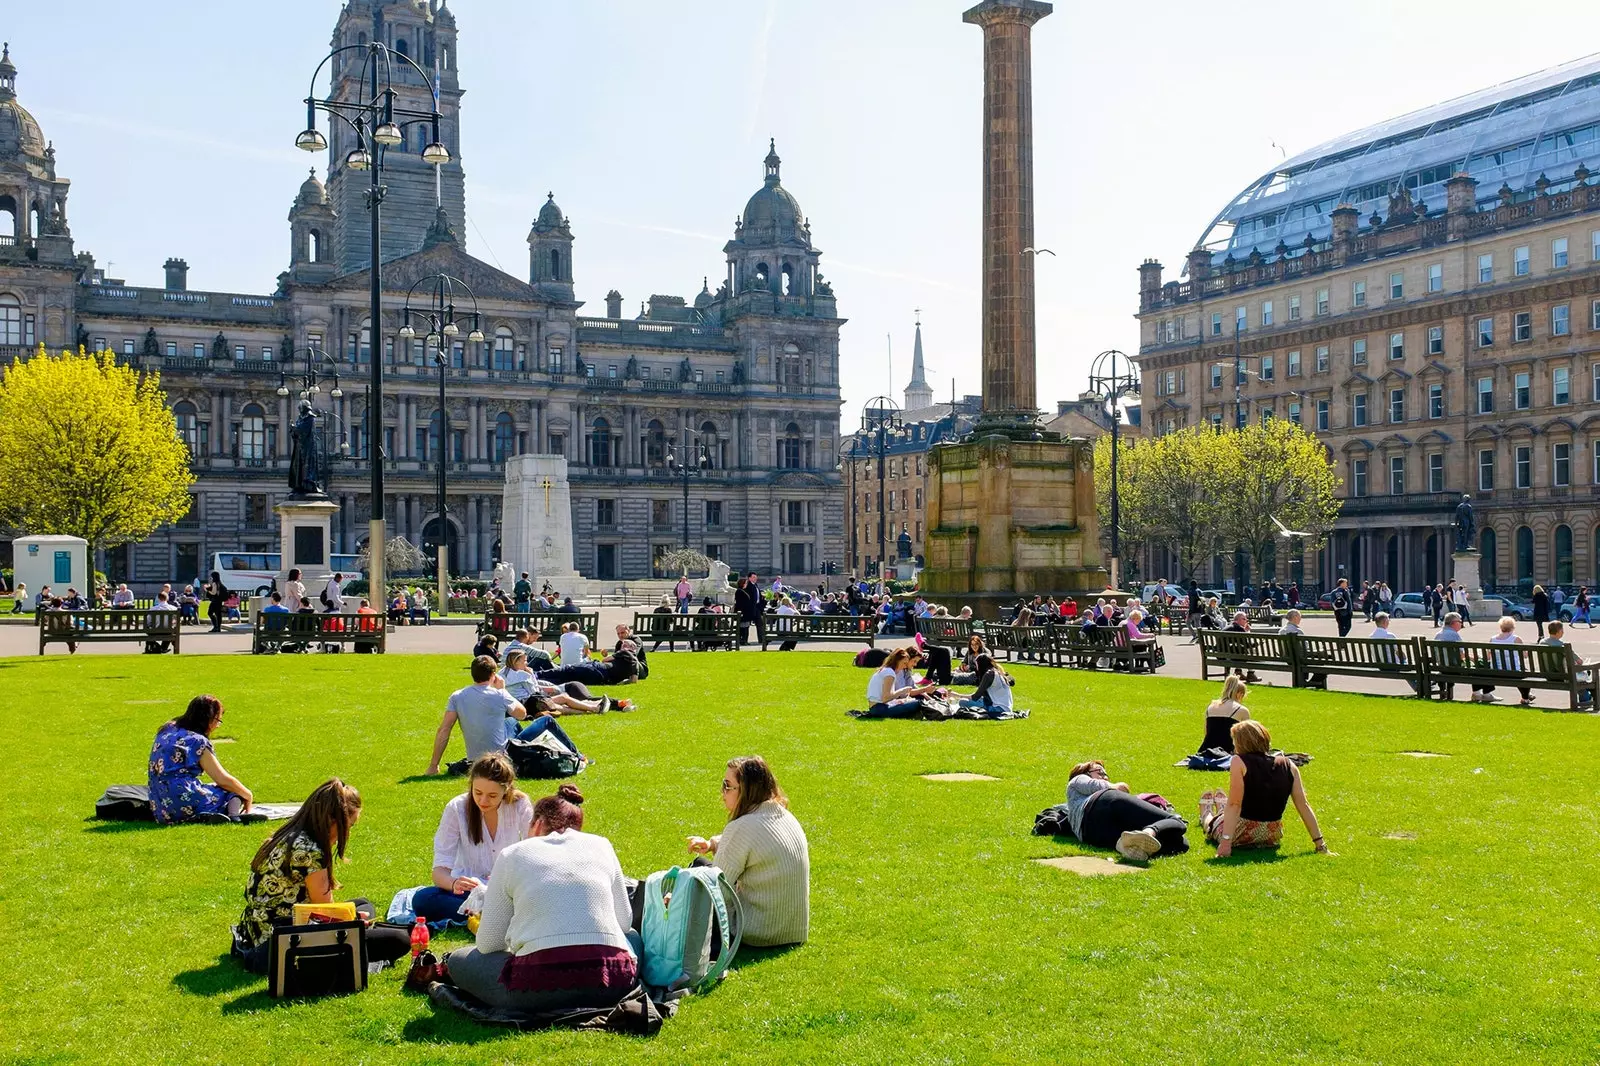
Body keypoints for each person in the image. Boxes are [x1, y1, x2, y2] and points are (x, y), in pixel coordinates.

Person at [445, 784, 639, 1012]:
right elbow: (625, 922)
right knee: (634, 938)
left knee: (458, 960)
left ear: (536, 824)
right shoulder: (602, 845)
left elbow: (488, 944)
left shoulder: (512, 854)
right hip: (612, 985)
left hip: (535, 990)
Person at [231, 779, 411, 973]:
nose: (348, 833)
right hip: (283, 939)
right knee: (399, 940)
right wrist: (355, 921)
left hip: (263, 927)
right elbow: (325, 912)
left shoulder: (291, 834)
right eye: (349, 826)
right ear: (333, 821)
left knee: (363, 903)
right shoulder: (310, 852)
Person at [687, 756, 810, 947]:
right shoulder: (783, 815)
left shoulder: (742, 827)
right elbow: (755, 844)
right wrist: (712, 844)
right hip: (792, 929)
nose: (723, 792)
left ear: (746, 790)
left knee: (699, 868)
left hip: (757, 931)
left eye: (728, 786)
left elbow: (717, 891)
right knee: (702, 869)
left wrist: (681, 896)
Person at [414, 752, 535, 923]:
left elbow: (535, 851)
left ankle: (486, 916)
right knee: (422, 899)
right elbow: (440, 869)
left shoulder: (520, 805)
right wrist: (454, 883)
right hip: (468, 891)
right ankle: (496, 916)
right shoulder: (457, 807)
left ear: (506, 789)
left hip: (507, 889)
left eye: (492, 796)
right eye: (477, 793)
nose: (483, 800)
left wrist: (512, 878)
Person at [427, 656, 583, 775]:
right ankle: (579, 756)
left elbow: (444, 730)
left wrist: (434, 765)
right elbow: (522, 714)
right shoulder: (500, 695)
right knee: (546, 720)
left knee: (510, 722)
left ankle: (521, 745)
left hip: (475, 759)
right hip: (501, 757)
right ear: (494, 675)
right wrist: (503, 690)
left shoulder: (457, 696)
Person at [1200, 721, 1329, 856]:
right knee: (1227, 810)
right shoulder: (1289, 764)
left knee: (1212, 822)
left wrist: (1225, 843)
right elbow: (1303, 805)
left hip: (1241, 832)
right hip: (1272, 834)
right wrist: (1320, 844)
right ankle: (1221, 807)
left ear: (1241, 742)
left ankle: (1206, 813)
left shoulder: (1238, 761)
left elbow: (1235, 804)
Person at [148, 695, 253, 824]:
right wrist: (248, 794)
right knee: (232, 791)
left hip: (160, 805)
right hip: (184, 798)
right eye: (217, 720)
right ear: (207, 718)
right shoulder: (197, 742)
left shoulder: (167, 729)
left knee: (212, 789)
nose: (217, 726)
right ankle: (234, 815)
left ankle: (205, 816)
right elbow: (222, 779)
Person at [1064, 760, 1189, 861]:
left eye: (1106, 774)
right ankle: (1149, 832)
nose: (1105, 777)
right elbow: (1116, 787)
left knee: (1181, 844)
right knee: (1175, 821)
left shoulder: (1072, 810)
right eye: (1100, 772)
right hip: (1104, 803)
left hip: (1093, 836)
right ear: (1085, 772)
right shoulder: (1078, 779)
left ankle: (1135, 845)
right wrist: (1117, 787)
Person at [863, 647, 939, 717]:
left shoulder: (886, 670)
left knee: (914, 702)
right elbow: (885, 698)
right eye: (904, 663)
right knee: (919, 703)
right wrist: (902, 691)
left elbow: (886, 698)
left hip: (878, 707)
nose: (905, 666)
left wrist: (897, 701)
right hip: (879, 709)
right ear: (897, 661)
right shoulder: (889, 673)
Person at [1540, 620, 1595, 706]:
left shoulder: (1542, 643)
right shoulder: (1562, 645)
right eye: (1562, 630)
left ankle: (1586, 698)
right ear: (1559, 632)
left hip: (1548, 675)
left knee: (1577, 676)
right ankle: (1585, 699)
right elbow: (1579, 661)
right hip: (1564, 676)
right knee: (1583, 675)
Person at [534, 647, 643, 688]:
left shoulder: (625, 652)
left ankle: (537, 675)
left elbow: (605, 660)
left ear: (629, 647)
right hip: (602, 679)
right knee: (566, 679)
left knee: (567, 670)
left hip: (597, 668)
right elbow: (633, 681)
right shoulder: (635, 665)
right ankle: (539, 681)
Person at [1485, 616, 1534, 706]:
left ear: (1500, 627)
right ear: (1513, 627)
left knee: (1521, 670)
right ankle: (1525, 698)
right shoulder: (1516, 639)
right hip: (1513, 671)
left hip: (1496, 670)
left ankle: (1527, 696)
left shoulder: (1492, 639)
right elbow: (1525, 655)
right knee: (1525, 674)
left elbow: (1488, 657)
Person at [1198, 674, 1251, 753]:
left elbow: (1206, 733)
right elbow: (1245, 738)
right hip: (1228, 751)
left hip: (1207, 750)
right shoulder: (1241, 710)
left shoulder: (1211, 707)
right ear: (1239, 694)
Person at [736, 571, 766, 650]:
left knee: (760, 623)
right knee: (746, 624)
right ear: (749, 578)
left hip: (757, 608)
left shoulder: (755, 585)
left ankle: (762, 639)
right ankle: (744, 639)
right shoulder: (747, 585)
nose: (755, 579)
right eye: (753, 577)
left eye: (756, 577)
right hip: (750, 608)